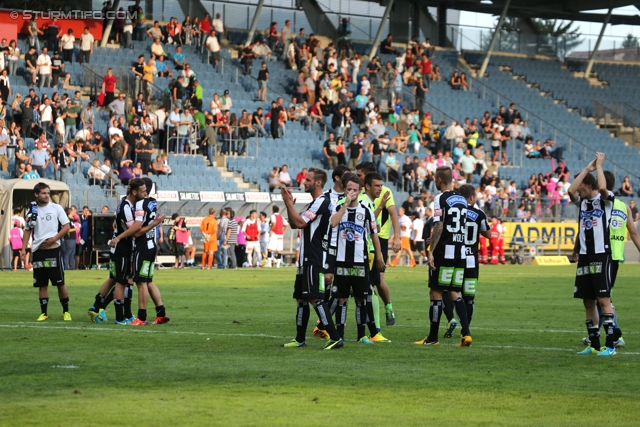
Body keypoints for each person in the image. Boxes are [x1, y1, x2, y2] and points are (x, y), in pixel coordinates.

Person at [280, 168, 343, 349]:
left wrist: (289, 204)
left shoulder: (322, 202)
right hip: (305, 260)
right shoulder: (314, 204)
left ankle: (336, 337)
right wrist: (289, 205)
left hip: (313, 258)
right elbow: (295, 224)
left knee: (315, 298)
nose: (304, 182)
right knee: (301, 299)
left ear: (317, 183)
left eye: (307, 180)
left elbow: (300, 222)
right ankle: (300, 339)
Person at [415, 166, 472, 347]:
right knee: (455, 292)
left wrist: (430, 250)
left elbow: (439, 224)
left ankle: (432, 338)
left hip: (444, 252)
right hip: (460, 251)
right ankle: (466, 333)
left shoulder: (440, 198)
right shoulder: (462, 199)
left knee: (436, 292)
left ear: (438, 180)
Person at [567, 153, 618, 356]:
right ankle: (595, 344)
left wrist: (599, 167)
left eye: (582, 185)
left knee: (603, 299)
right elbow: (570, 190)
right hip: (585, 256)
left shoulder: (606, 201)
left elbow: (603, 188)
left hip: (601, 255)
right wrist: (586, 170)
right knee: (587, 301)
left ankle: (611, 345)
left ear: (588, 185)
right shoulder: (582, 203)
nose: (578, 189)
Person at [330, 173, 385, 344]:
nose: (352, 193)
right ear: (344, 190)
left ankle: (362, 335)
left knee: (362, 299)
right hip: (341, 261)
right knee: (342, 299)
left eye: (355, 190)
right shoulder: (338, 206)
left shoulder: (366, 211)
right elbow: (333, 223)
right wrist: (345, 203)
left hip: (360, 262)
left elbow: (374, 234)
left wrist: (379, 256)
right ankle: (340, 334)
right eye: (349, 189)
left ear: (361, 191)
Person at [441, 184, 491, 337]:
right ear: (471, 197)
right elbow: (488, 235)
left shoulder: (454, 210)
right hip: (471, 261)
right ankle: (465, 330)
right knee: (469, 299)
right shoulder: (479, 213)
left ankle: (451, 319)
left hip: (457, 256)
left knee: (447, 291)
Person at [355, 162, 399, 326]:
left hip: (379, 239)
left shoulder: (384, 191)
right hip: (363, 239)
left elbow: (393, 214)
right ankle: (370, 322)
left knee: (377, 281)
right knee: (366, 282)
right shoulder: (360, 194)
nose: (356, 177)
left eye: (359, 175)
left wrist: (397, 236)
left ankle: (388, 308)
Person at [20, 182, 72, 321]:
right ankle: (44, 313)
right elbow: (27, 229)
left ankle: (66, 311)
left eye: (48, 193)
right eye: (43, 193)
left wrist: (54, 239)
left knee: (60, 283)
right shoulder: (32, 210)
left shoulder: (56, 208)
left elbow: (66, 227)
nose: (47, 196)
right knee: (41, 284)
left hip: (53, 250)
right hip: (38, 251)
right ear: (36, 194)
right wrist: (23, 249)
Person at [129, 177, 169, 325]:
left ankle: (142, 317)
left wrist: (154, 223)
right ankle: (161, 314)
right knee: (148, 281)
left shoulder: (140, 204)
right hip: (151, 245)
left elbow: (137, 231)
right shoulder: (152, 201)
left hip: (143, 246)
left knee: (141, 282)